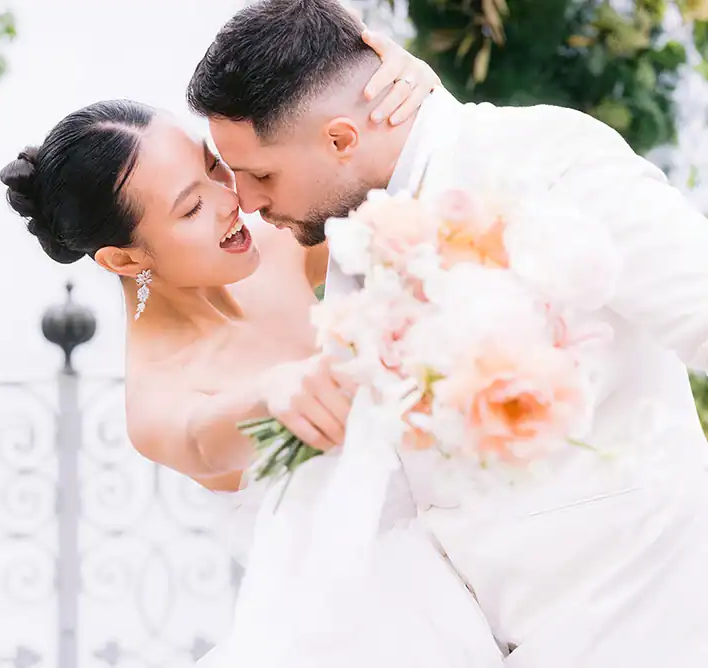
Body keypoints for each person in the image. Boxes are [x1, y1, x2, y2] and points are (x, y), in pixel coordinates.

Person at [186, 0, 708, 666]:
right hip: (476, 625)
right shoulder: (355, 222)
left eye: (260, 175)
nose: (249, 203)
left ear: (342, 139)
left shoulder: (546, 159)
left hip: (637, 610)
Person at [0, 27, 504, 668]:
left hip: (477, 538)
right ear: (124, 257)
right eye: (189, 209)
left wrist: (394, 97)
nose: (231, 201)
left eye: (213, 167)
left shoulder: (273, 244)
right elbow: (207, 435)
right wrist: (276, 395)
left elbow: (386, 182)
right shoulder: (161, 398)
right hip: (367, 633)